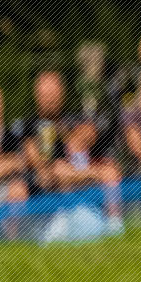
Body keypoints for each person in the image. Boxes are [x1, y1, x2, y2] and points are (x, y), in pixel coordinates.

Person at [12, 71, 122, 218]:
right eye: (46, 94)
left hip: (77, 176)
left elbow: (92, 138)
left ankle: (115, 225)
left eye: (54, 93)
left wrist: (82, 139)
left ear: (61, 93)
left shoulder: (73, 119)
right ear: (37, 95)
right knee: (54, 171)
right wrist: (92, 173)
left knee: (110, 170)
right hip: (47, 185)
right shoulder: (29, 125)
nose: (50, 99)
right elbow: (40, 166)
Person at [0, 84, 30, 213]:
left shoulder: (12, 137)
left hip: (5, 189)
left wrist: (3, 164)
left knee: (18, 190)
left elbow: (21, 162)